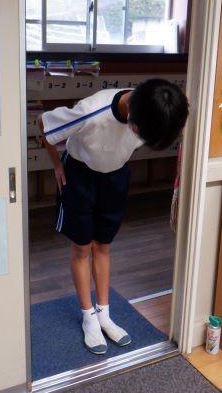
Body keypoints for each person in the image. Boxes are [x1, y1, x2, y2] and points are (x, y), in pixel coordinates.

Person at [38, 78, 189, 354]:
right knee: (82, 248)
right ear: (131, 113)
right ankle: (88, 318)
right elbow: (44, 124)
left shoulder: (156, 110)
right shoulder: (91, 112)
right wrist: (57, 166)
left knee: (103, 246)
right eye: (140, 133)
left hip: (115, 176)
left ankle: (104, 315)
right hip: (80, 175)